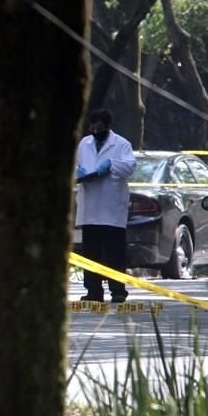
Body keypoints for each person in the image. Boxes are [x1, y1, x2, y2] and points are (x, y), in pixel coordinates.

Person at [75, 109, 136, 303]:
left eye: (98, 127)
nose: (94, 130)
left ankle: (117, 290)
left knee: (114, 252)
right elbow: (74, 165)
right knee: (90, 252)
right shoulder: (84, 144)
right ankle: (93, 291)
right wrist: (79, 172)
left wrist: (111, 164)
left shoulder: (121, 144)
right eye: (92, 127)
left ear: (107, 127)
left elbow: (129, 167)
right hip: (90, 205)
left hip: (111, 208)